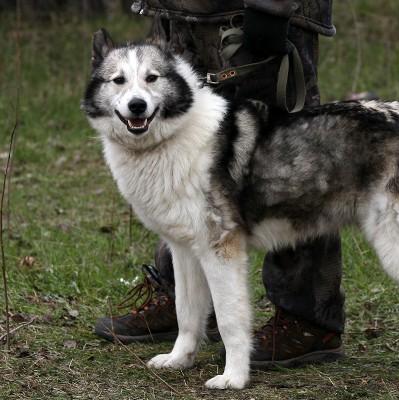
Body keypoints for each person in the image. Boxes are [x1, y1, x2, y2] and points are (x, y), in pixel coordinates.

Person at [95, 0, 346, 368]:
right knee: (189, 181)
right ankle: (187, 309)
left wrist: (272, 6)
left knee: (290, 162)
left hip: (258, 14)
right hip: (186, 11)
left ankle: (307, 319)